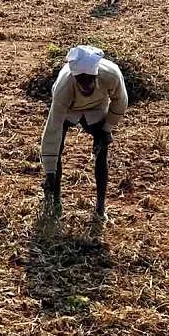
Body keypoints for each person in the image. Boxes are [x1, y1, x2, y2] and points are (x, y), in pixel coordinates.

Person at [40, 45, 128, 219]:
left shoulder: (111, 75)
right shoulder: (64, 87)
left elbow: (120, 102)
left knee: (102, 150)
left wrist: (106, 129)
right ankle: (55, 201)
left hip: (97, 107)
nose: (86, 85)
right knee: (57, 149)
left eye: (89, 80)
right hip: (69, 108)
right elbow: (53, 127)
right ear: (75, 77)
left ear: (96, 74)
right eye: (81, 80)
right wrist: (49, 171)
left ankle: (100, 208)